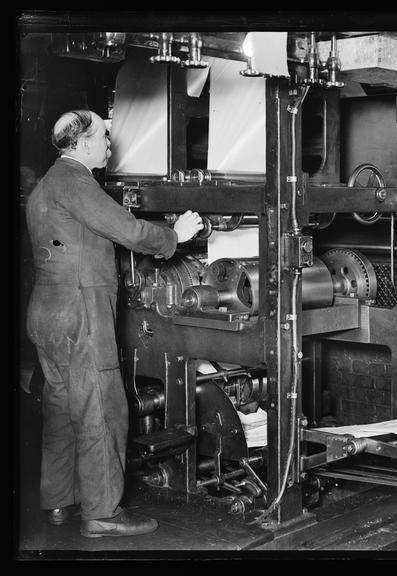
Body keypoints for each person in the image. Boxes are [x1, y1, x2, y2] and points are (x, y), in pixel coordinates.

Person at [25, 109, 204, 538]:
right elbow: (129, 230)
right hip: (80, 311)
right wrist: (175, 235)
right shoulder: (76, 182)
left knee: (61, 406)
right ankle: (102, 512)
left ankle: (59, 501)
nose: (110, 142)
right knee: (101, 406)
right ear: (83, 144)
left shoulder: (44, 186)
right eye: (104, 136)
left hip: (46, 312)